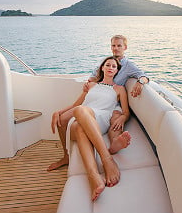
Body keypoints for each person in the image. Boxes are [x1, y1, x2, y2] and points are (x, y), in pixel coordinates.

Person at [47, 34, 148, 171]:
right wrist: (90, 84)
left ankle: (114, 144)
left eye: (119, 46)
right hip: (98, 97)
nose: (116, 48)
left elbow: (142, 75)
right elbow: (94, 76)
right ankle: (67, 156)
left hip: (114, 100)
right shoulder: (104, 63)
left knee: (116, 117)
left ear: (125, 47)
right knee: (66, 119)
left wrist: (141, 82)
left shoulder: (128, 66)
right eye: (113, 45)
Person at [49, 56, 130, 201]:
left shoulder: (119, 89)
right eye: (108, 65)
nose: (111, 68)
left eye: (114, 66)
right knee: (79, 120)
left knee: (81, 112)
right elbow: (75, 105)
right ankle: (99, 169)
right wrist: (59, 112)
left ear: (117, 71)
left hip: (100, 119)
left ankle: (100, 167)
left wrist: (123, 117)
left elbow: (126, 112)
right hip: (82, 115)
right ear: (102, 68)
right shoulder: (92, 85)